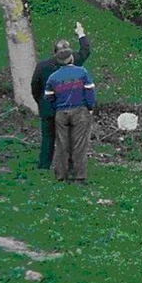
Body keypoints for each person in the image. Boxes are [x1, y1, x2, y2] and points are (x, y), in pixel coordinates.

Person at [31, 22, 90, 169]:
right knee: (68, 139)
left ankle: (44, 165)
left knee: (48, 138)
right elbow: (85, 50)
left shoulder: (43, 66)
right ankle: (68, 167)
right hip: (69, 106)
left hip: (48, 107)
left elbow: (34, 87)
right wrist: (81, 33)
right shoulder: (74, 61)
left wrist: (41, 102)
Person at [44, 45, 96, 183]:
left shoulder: (52, 78)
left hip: (61, 113)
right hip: (80, 111)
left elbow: (48, 98)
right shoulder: (82, 72)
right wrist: (90, 108)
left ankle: (61, 176)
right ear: (71, 57)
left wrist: (56, 108)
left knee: (61, 145)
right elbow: (90, 92)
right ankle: (79, 177)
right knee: (79, 145)